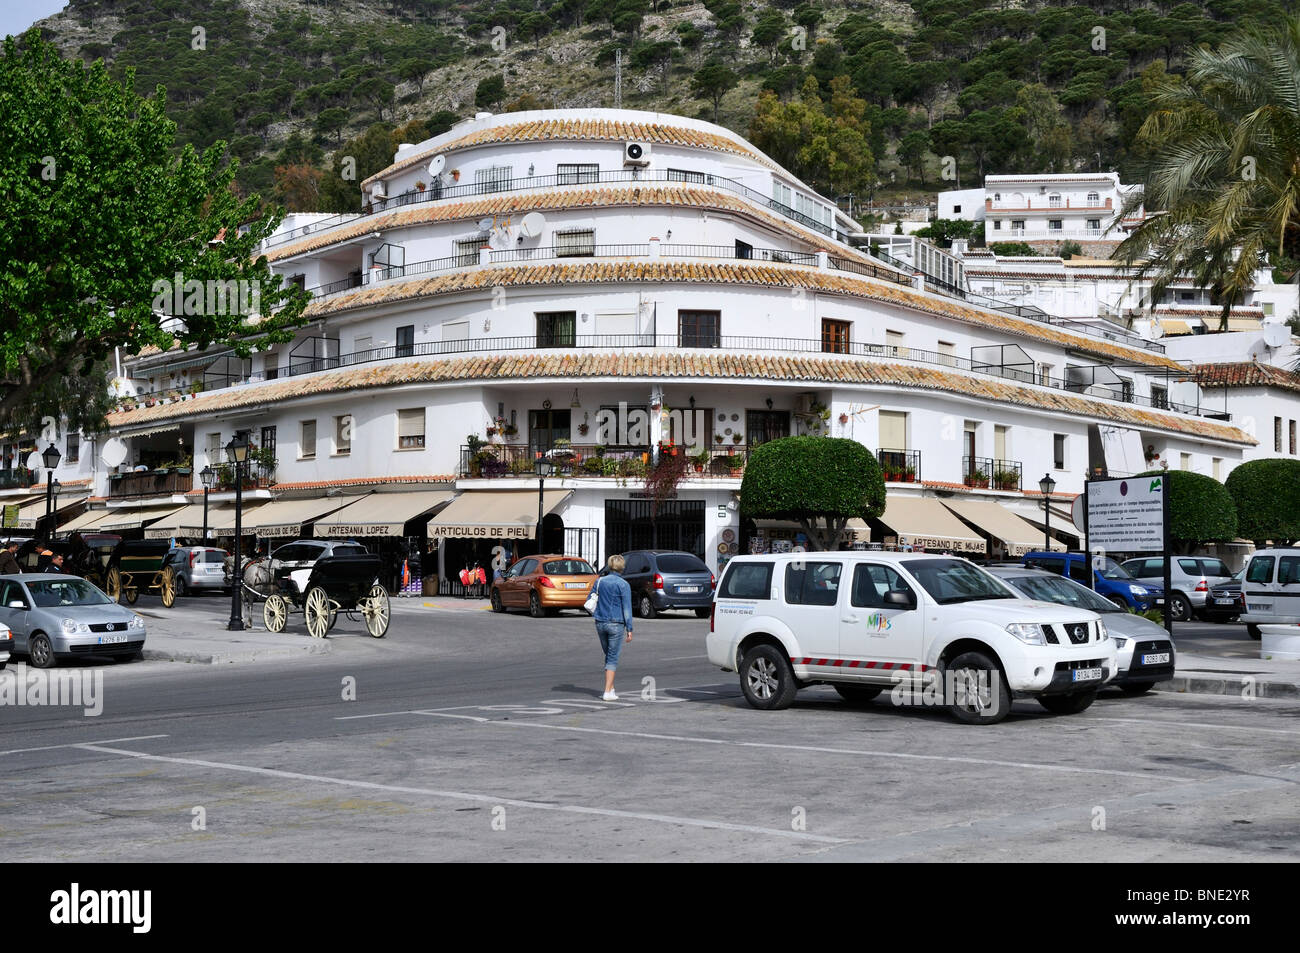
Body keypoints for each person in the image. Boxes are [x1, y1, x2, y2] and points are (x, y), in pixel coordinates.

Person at [590, 554, 634, 701]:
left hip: (600, 622)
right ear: (622, 567)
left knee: (609, 656)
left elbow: (590, 599)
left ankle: (612, 688)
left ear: (609, 566)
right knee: (612, 658)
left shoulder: (600, 581)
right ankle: (607, 692)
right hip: (616, 623)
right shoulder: (623, 584)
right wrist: (630, 629)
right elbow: (627, 609)